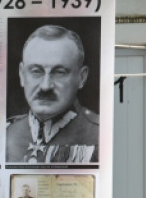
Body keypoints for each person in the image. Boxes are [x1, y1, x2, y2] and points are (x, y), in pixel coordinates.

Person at [6, 24, 98, 164]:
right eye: (36, 71)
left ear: (82, 78)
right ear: (22, 75)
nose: (45, 86)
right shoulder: (4, 133)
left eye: (59, 72)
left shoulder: (99, 134)